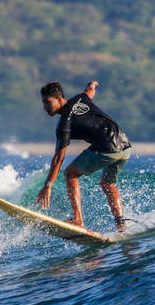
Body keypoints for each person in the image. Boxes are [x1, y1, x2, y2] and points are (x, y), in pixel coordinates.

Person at [37, 80, 131, 231]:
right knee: (108, 184)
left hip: (107, 148)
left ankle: (78, 220)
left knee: (70, 174)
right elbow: (90, 92)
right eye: (43, 103)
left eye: (48, 102)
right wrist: (92, 85)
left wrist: (48, 186)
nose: (45, 107)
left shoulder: (64, 124)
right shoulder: (80, 98)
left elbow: (58, 158)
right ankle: (121, 226)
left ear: (59, 99)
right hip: (125, 147)